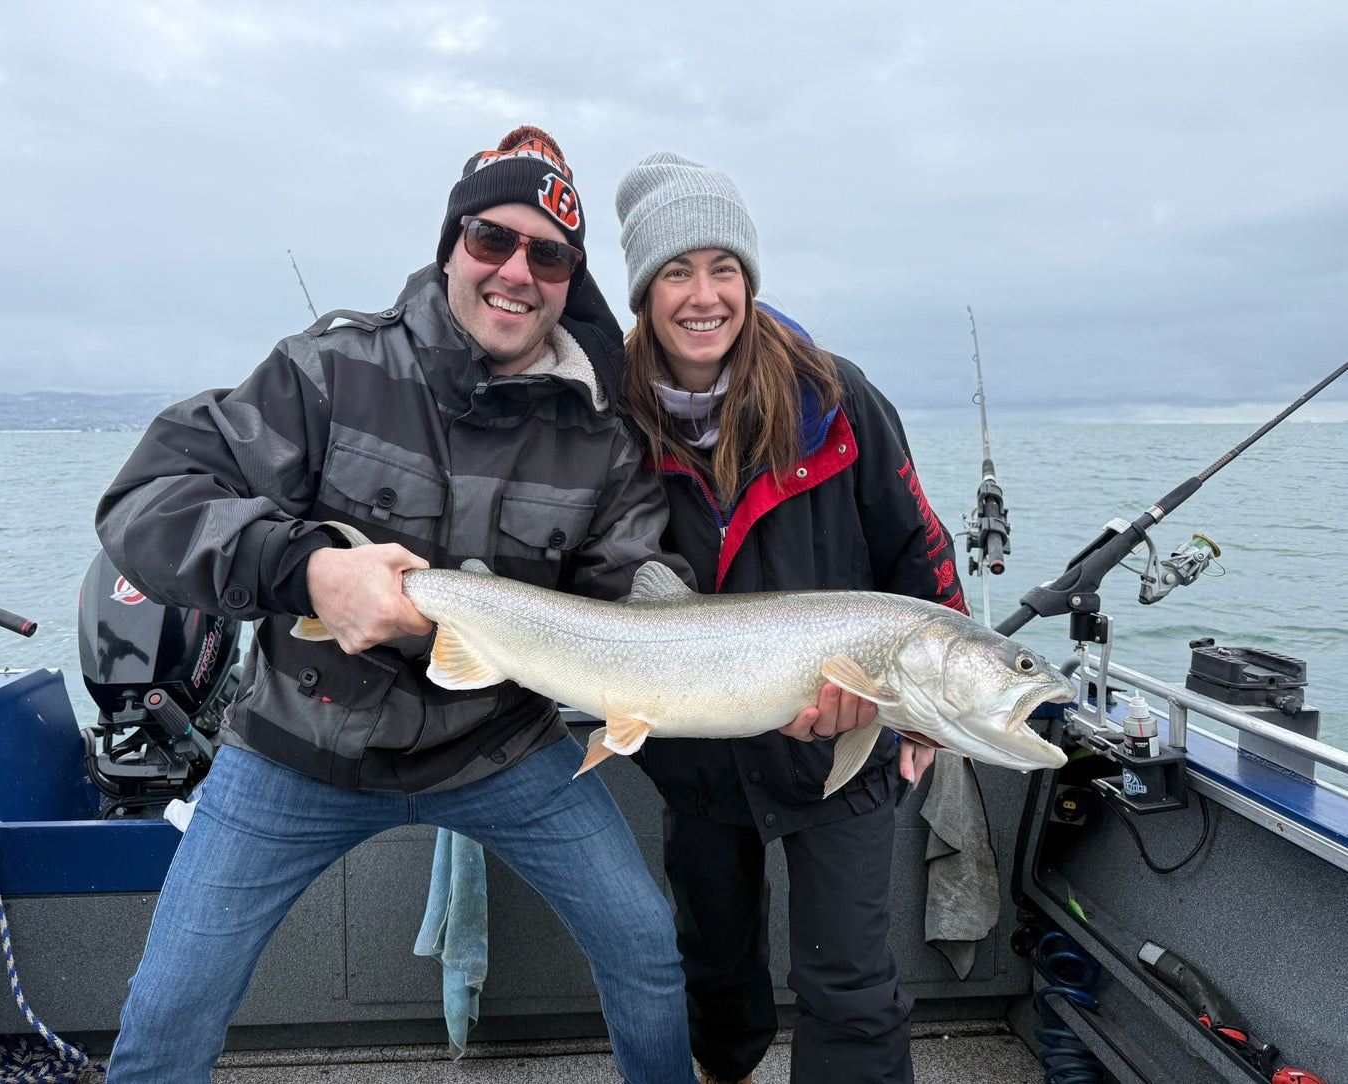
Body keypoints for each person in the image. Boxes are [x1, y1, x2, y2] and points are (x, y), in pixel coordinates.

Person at [94, 126, 702, 1084]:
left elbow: (626, 600)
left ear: (569, 278)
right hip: (299, 743)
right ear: (451, 243)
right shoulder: (328, 370)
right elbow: (146, 503)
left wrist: (748, 670)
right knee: (168, 1008)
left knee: (648, 954)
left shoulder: (602, 434)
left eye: (547, 255)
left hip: (500, 743)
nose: (515, 271)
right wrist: (305, 569)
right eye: (490, 241)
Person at [613, 152, 969, 1084]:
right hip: (695, 741)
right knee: (715, 966)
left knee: (849, 982)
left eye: (722, 269)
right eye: (675, 272)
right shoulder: (611, 417)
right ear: (644, 292)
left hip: (838, 747)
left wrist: (925, 707)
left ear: (749, 281)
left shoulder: (837, 396)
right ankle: (719, 1067)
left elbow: (920, 552)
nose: (703, 296)